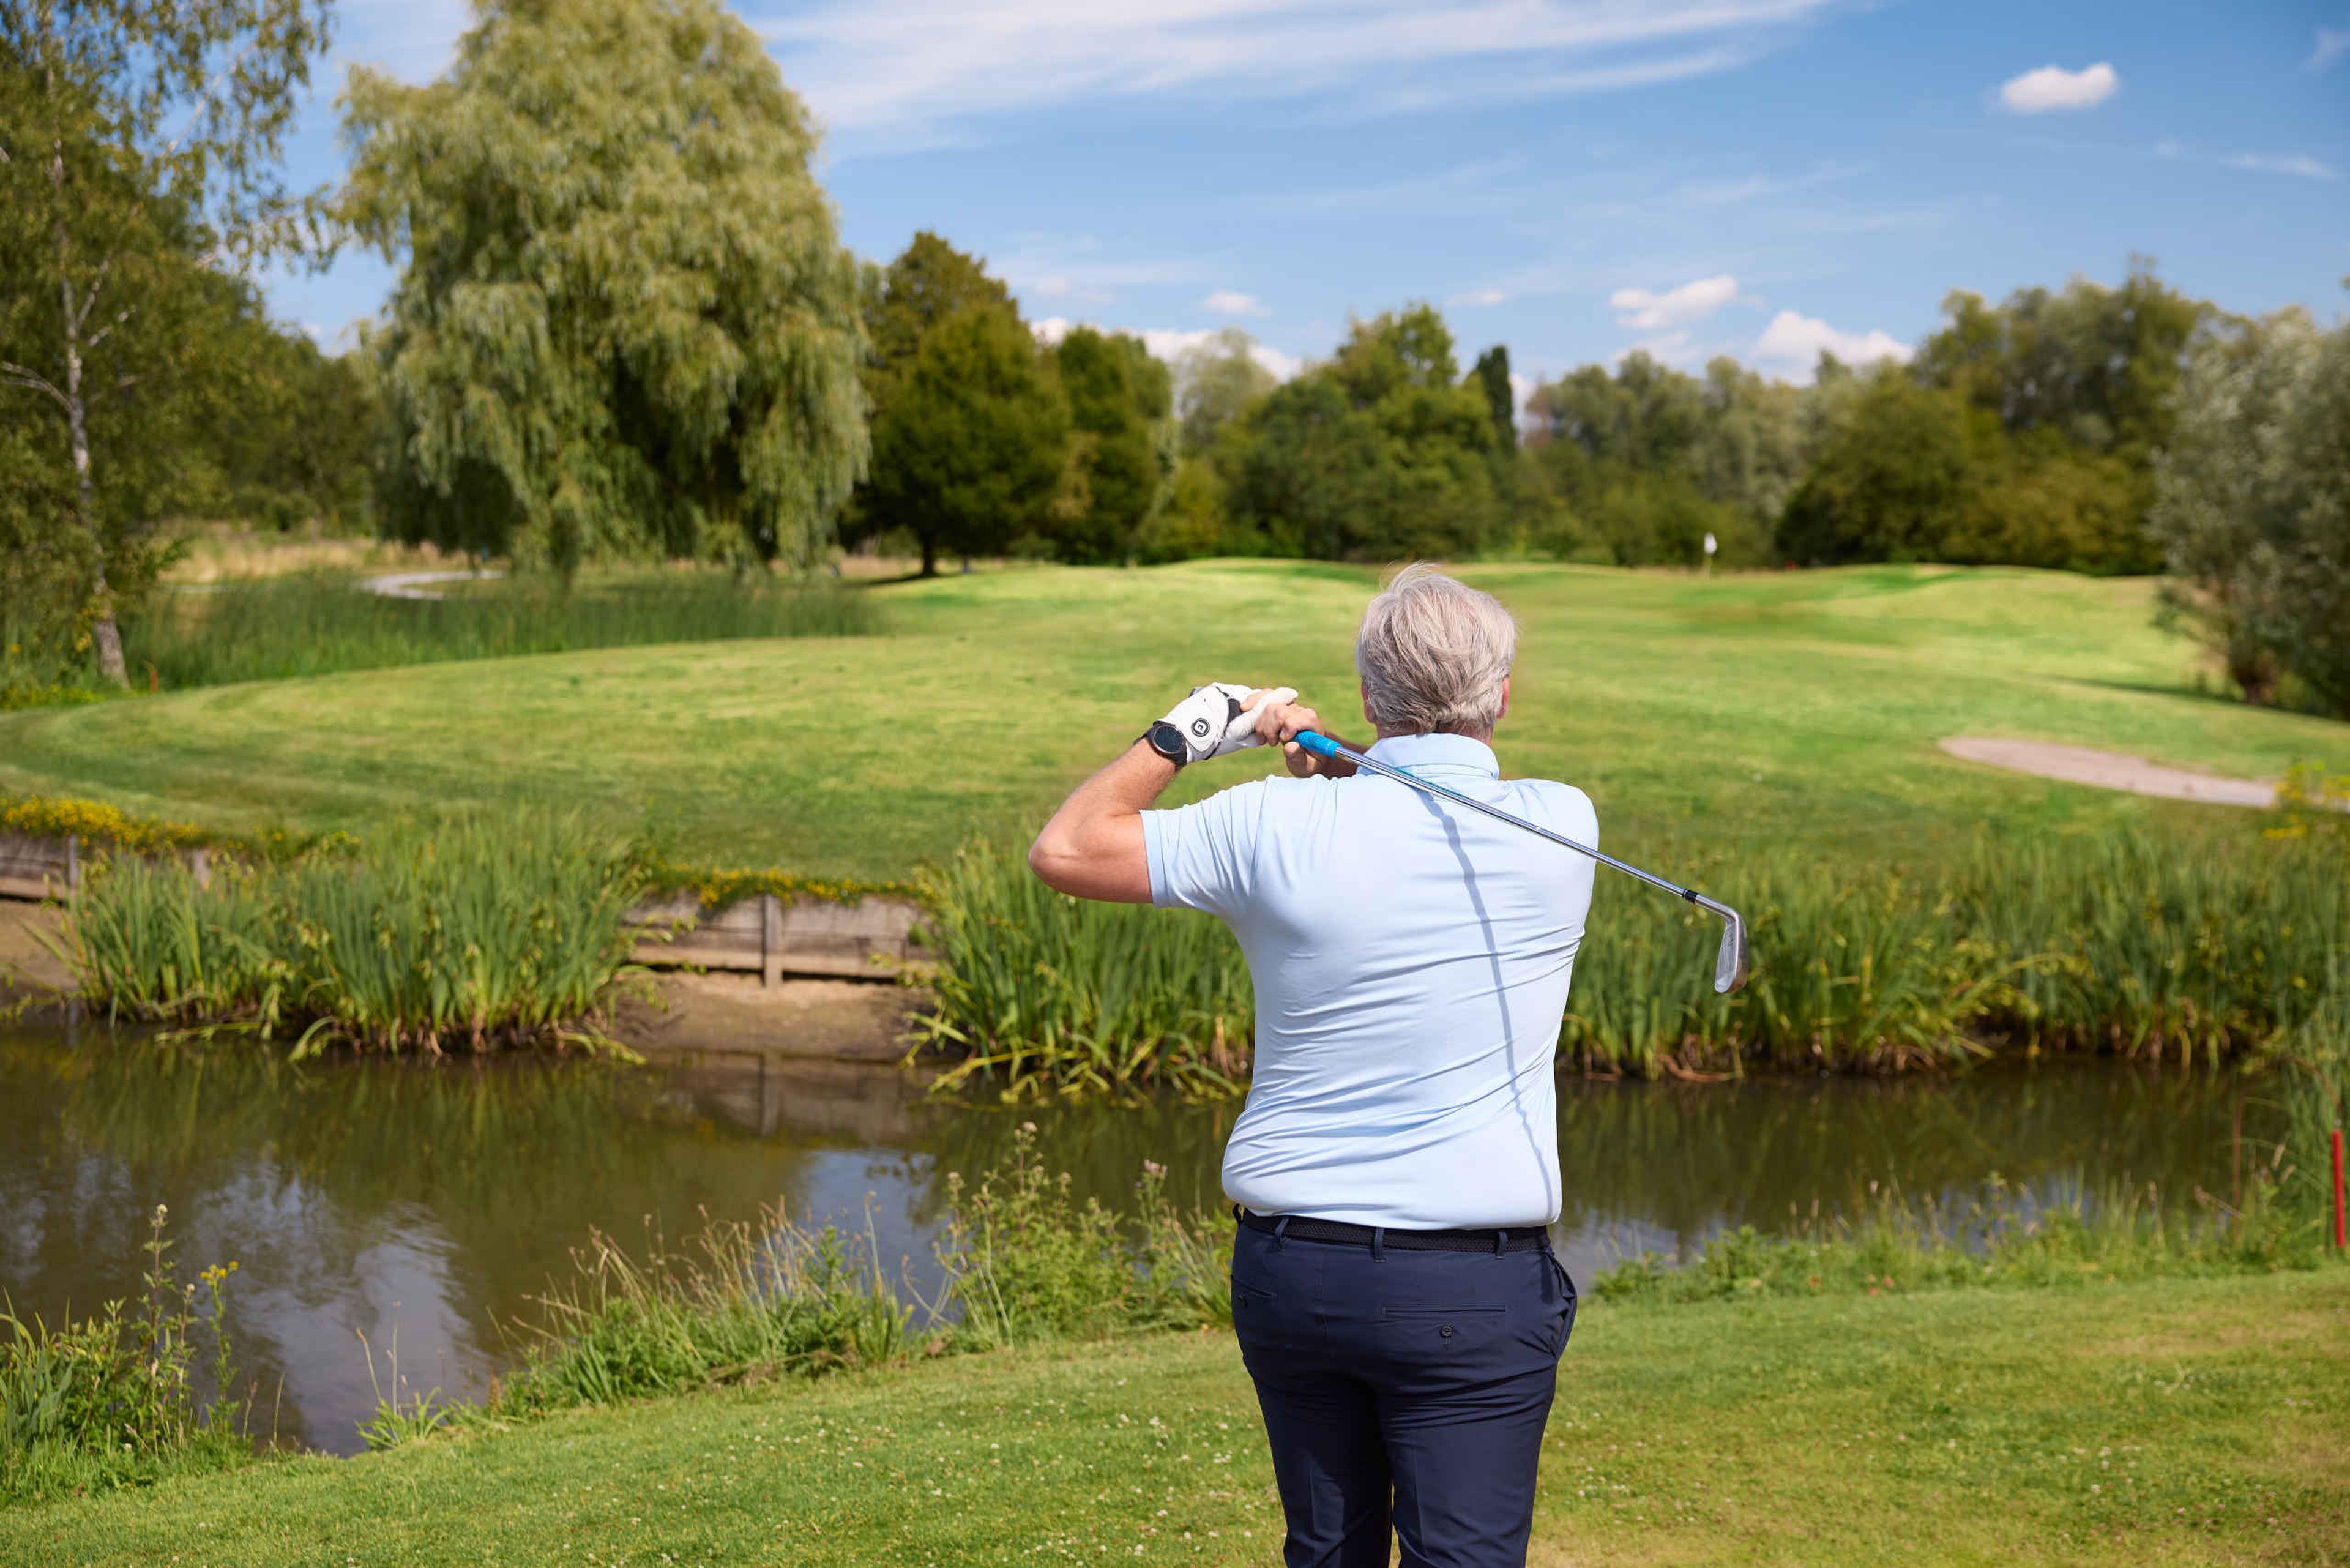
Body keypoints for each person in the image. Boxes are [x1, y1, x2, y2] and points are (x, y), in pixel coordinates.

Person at [1028, 563, 1597, 1568]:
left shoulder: (1268, 824)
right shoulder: (1562, 825)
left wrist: (1202, 723)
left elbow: (1069, 848)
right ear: (1502, 696)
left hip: (1299, 1275)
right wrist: (1348, 769)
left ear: (1371, 697)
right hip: (1472, 1285)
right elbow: (1416, 819)